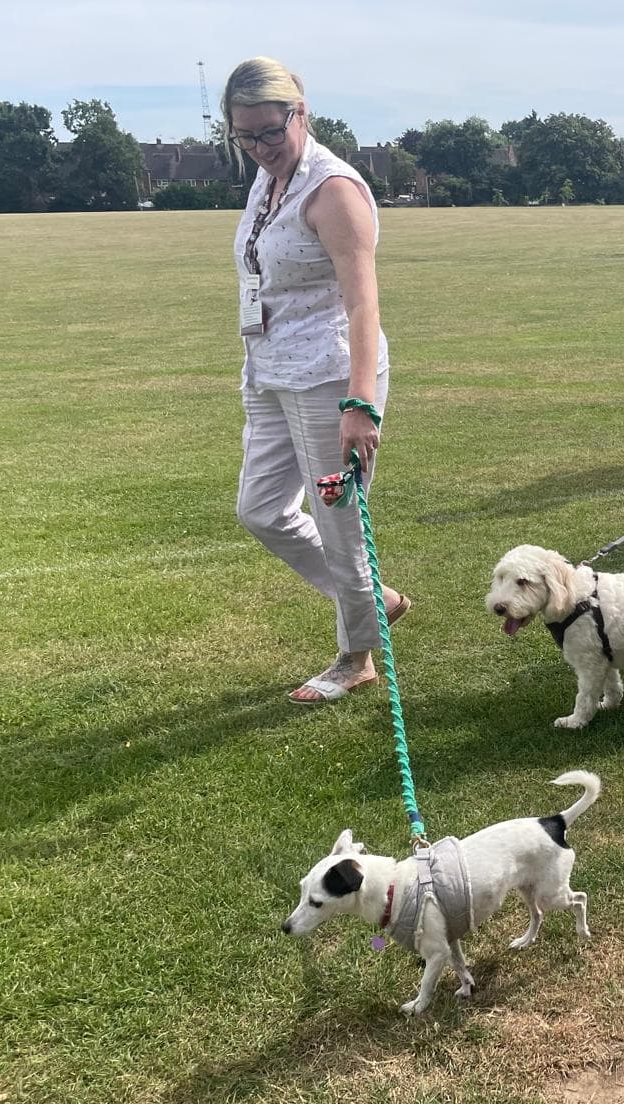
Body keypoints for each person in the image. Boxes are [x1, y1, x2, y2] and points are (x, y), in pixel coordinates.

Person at [223, 57, 409, 704]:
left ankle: (355, 658)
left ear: (300, 113)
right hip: (270, 371)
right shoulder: (267, 179)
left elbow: (363, 304)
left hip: (332, 378)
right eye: (244, 137)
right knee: (261, 511)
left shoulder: (334, 191)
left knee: (340, 525)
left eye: (270, 132)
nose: (259, 148)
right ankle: (371, 600)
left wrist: (360, 405)